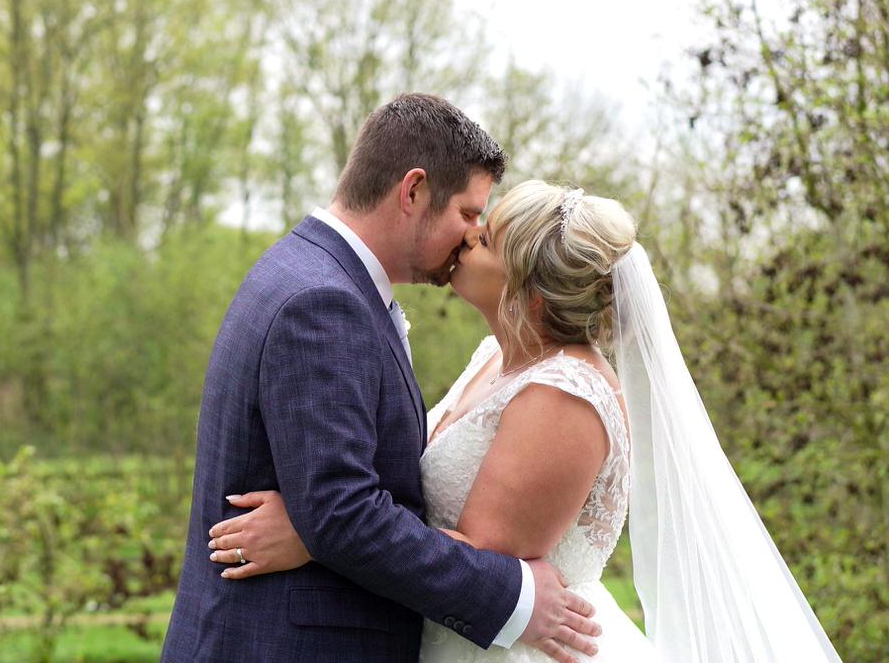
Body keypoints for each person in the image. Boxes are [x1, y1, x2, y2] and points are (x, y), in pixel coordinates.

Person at [203, 179, 843, 661]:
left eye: (485, 239)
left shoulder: (565, 396)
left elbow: (479, 562)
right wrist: (333, 518)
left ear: (526, 291)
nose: (466, 238)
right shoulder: (497, 359)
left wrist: (318, 535)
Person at [161, 95, 601, 663]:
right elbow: (341, 512)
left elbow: (335, 508)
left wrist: (309, 535)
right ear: (413, 191)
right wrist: (513, 596)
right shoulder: (324, 302)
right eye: (469, 214)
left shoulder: (311, 272)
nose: (471, 236)